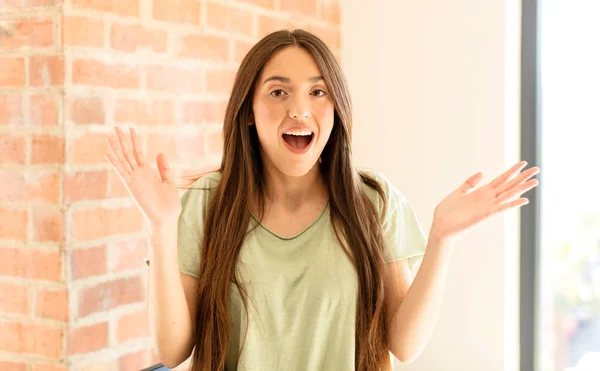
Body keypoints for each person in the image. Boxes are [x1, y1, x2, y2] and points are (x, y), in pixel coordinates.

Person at [104, 29, 540, 371]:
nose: (300, 109)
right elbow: (174, 350)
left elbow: (404, 344)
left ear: (337, 108)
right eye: (278, 92)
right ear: (249, 114)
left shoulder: (374, 203)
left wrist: (442, 237)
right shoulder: (203, 204)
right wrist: (160, 229)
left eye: (318, 92)